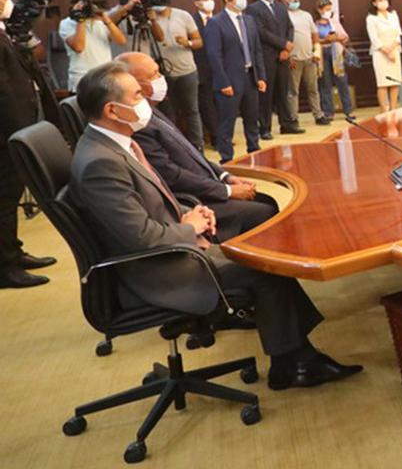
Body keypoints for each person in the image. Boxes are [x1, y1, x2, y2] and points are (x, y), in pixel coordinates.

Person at [68, 62, 361, 389]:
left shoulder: (114, 144)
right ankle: (294, 364)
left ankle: (292, 356)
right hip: (156, 271)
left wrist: (192, 213)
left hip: (172, 247)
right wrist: (189, 229)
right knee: (265, 268)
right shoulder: (101, 163)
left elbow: (152, 201)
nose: (145, 99)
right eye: (137, 94)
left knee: (262, 255)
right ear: (112, 110)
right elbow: (142, 238)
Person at [119, 52, 279, 238]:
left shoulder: (151, 111)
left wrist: (226, 176)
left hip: (208, 185)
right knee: (264, 211)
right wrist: (227, 191)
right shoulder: (138, 125)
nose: (161, 78)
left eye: (159, 71)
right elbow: (172, 175)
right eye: (153, 75)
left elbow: (191, 153)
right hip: (193, 201)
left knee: (267, 201)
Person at [0, 0, 57, 288]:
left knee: (9, 199)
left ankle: (13, 252)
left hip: (18, 126)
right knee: (3, 201)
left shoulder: (6, 30)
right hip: (5, 132)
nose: (6, 0)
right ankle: (5, 267)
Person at [204, 0, 268, 163]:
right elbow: (214, 55)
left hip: (251, 77)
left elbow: (257, 50)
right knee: (227, 121)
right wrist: (223, 82)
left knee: (252, 118)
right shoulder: (216, 22)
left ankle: (254, 151)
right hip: (229, 80)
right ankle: (227, 158)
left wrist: (261, 76)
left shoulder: (249, 20)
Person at [245, 0, 300, 139]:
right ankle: (265, 128)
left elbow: (289, 27)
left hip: (283, 56)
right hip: (266, 56)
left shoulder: (280, 7)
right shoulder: (253, 9)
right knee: (266, 95)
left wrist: (287, 47)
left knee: (283, 91)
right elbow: (261, 32)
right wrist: (283, 44)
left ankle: (287, 124)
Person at [149, 0, 204, 147]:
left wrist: (187, 43)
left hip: (187, 71)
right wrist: (152, 19)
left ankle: (198, 147)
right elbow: (157, 39)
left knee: (191, 111)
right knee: (167, 114)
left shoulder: (183, 15)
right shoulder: (147, 17)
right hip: (161, 73)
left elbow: (199, 42)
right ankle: (175, 148)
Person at [59, 0, 127, 91]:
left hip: (106, 75)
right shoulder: (66, 23)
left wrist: (106, 19)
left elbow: (121, 41)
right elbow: (79, 47)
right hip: (82, 76)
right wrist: (81, 19)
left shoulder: (100, 22)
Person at [284, 0, 324, 126]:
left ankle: (318, 115)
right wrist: (288, 56)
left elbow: (314, 35)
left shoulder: (306, 15)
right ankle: (293, 118)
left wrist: (316, 52)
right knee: (293, 91)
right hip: (294, 59)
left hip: (309, 58)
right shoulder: (284, 15)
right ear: (284, 0)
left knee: (313, 89)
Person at [315, 0, 355, 122]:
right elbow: (313, 39)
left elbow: (345, 37)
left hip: (336, 53)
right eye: (326, 9)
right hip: (322, 54)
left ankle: (348, 110)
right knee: (325, 83)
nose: (329, 12)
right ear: (319, 10)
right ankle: (328, 112)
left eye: (330, 9)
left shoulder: (334, 22)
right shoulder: (315, 24)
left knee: (342, 82)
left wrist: (337, 38)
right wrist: (325, 40)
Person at [366, 0, 402, 112]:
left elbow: (399, 34)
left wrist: (392, 48)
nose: (383, 2)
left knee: (395, 82)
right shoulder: (371, 18)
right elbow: (374, 38)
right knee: (382, 83)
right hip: (380, 53)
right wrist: (386, 51)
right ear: (374, 3)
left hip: (395, 51)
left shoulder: (393, 15)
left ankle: (393, 108)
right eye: (380, 0)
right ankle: (384, 110)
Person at [192, 0, 219, 150]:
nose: (209, 1)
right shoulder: (192, 20)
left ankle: (223, 134)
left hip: (220, 69)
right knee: (207, 103)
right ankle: (215, 137)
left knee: (221, 103)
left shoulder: (219, 19)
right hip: (202, 68)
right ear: (196, 3)